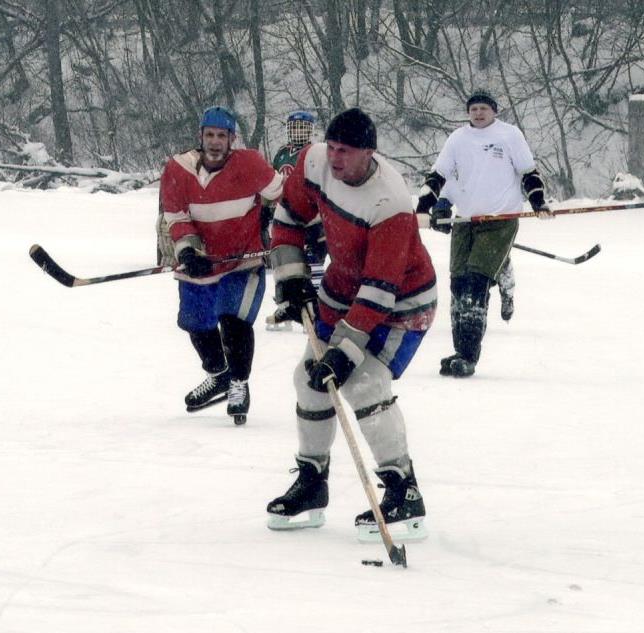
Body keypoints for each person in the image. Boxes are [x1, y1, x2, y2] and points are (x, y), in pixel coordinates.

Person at [265, 108, 437, 543]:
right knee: (309, 381)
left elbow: (380, 290)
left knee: (362, 383)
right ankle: (312, 481)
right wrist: (292, 279)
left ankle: (403, 489)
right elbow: (287, 220)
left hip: (402, 303)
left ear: (369, 153)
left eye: (347, 151)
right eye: (334, 147)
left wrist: (345, 352)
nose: (336, 158)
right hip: (341, 291)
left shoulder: (390, 204)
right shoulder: (314, 162)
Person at [160, 105, 284, 425]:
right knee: (194, 322)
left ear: (232, 139)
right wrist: (188, 252)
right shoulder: (178, 169)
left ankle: (239, 383)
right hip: (202, 262)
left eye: (222, 136)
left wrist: (275, 225)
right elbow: (177, 217)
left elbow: (282, 193)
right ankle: (219, 375)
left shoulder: (250, 164)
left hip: (243, 261)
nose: (215, 142)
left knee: (233, 318)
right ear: (200, 136)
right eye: (210, 135)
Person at [415, 90, 552, 377]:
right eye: (474, 109)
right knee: (458, 283)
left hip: (500, 220)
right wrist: (424, 207)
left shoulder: (509, 136)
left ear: (494, 111)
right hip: (466, 222)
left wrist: (538, 201)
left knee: (476, 282)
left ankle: (468, 355)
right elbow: (438, 176)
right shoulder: (458, 139)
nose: (478, 113)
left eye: (484, 109)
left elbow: (529, 173)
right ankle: (458, 349)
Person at [266, 110, 324, 332]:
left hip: (309, 216)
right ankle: (287, 307)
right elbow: (271, 182)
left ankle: (317, 306)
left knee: (312, 261)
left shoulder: (314, 152)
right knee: (283, 260)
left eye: (303, 128)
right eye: (295, 127)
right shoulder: (281, 154)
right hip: (284, 214)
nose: (299, 132)